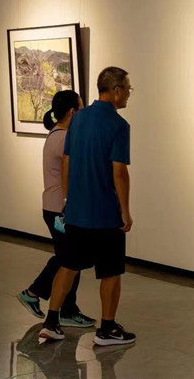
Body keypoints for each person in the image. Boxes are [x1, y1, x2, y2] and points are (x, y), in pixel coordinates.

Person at [40, 67, 136, 346]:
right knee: (111, 271)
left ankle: (52, 321)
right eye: (128, 88)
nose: (129, 93)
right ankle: (106, 328)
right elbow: (119, 172)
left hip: (78, 211)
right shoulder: (119, 126)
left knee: (68, 266)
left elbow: (66, 160)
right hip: (105, 213)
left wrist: (69, 198)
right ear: (116, 90)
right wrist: (125, 211)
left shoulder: (78, 119)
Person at [16, 90, 95, 328]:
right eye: (81, 109)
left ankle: (68, 309)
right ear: (73, 112)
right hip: (60, 208)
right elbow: (74, 173)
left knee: (73, 258)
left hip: (56, 206)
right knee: (68, 258)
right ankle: (33, 292)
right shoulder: (63, 138)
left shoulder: (58, 134)